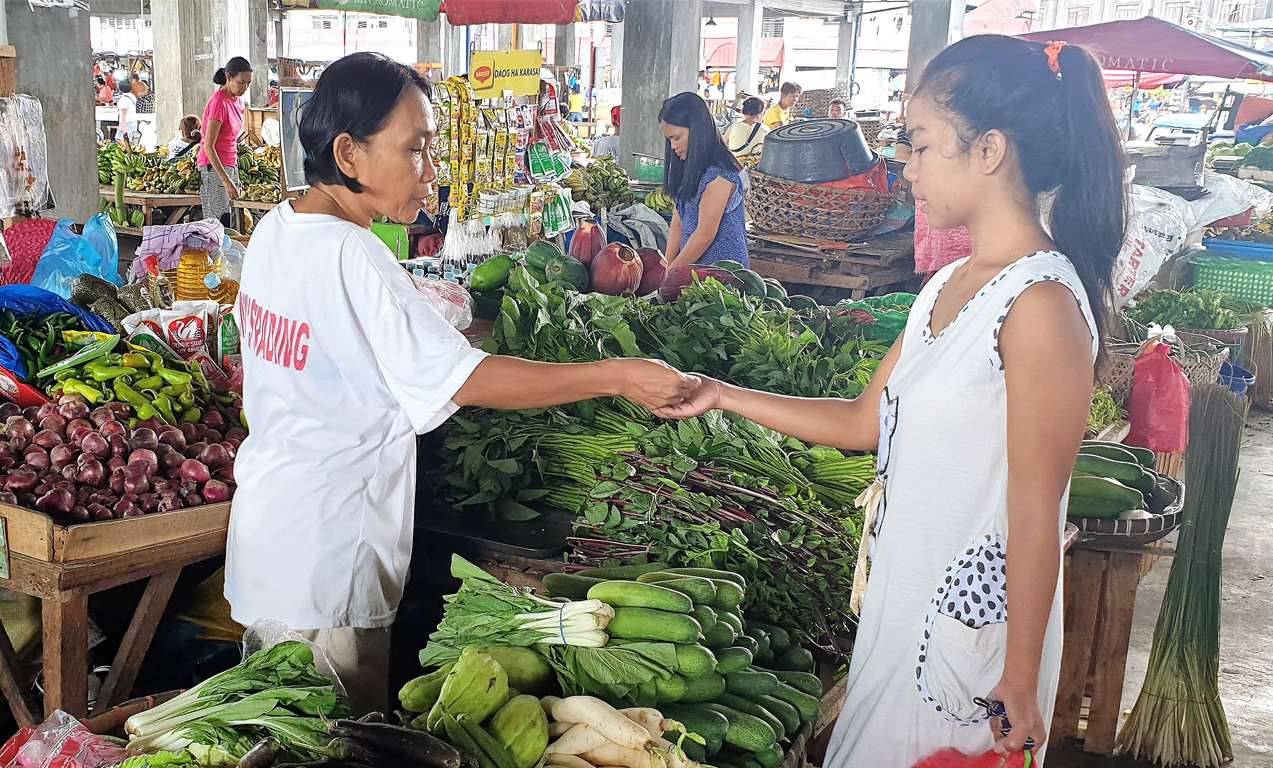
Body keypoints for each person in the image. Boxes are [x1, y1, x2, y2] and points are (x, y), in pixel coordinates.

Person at [656, 35, 1125, 767]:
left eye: (919, 144)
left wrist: (1021, 676)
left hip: (974, 646)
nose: (902, 165)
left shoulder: (1040, 304)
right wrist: (719, 394)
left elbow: (1039, 511)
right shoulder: (946, 287)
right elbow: (862, 421)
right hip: (899, 606)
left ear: (990, 150)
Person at [224, 52, 700, 714]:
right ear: (349, 154)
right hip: (330, 553)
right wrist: (616, 374)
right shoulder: (352, 255)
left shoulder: (277, 230)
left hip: (271, 532)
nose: (432, 174)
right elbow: (465, 379)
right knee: (332, 737)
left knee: (267, 721)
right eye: (416, 150)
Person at [659, 93, 749, 269]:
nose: (672, 146)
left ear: (698, 130)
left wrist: (670, 273)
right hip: (692, 273)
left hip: (724, 279)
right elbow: (678, 222)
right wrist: (666, 266)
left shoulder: (720, 175)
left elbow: (704, 234)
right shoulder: (688, 170)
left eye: (676, 137)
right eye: (669, 139)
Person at [198, 56, 252, 227]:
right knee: (218, 224)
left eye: (248, 84)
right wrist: (226, 180)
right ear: (229, 77)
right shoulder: (219, 102)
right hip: (213, 169)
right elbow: (208, 145)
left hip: (230, 165)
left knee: (232, 223)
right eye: (241, 82)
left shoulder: (237, 101)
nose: (245, 88)